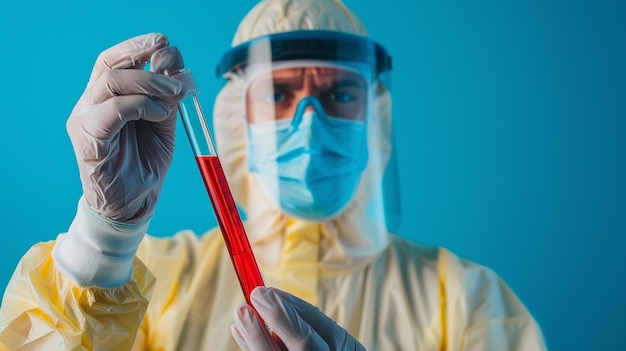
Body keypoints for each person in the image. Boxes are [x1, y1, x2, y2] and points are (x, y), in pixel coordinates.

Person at [0, 0, 547, 350]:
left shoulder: (469, 302)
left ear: (373, 117)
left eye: (339, 94)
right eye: (279, 95)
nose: (309, 122)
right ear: (237, 117)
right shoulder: (156, 283)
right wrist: (106, 239)